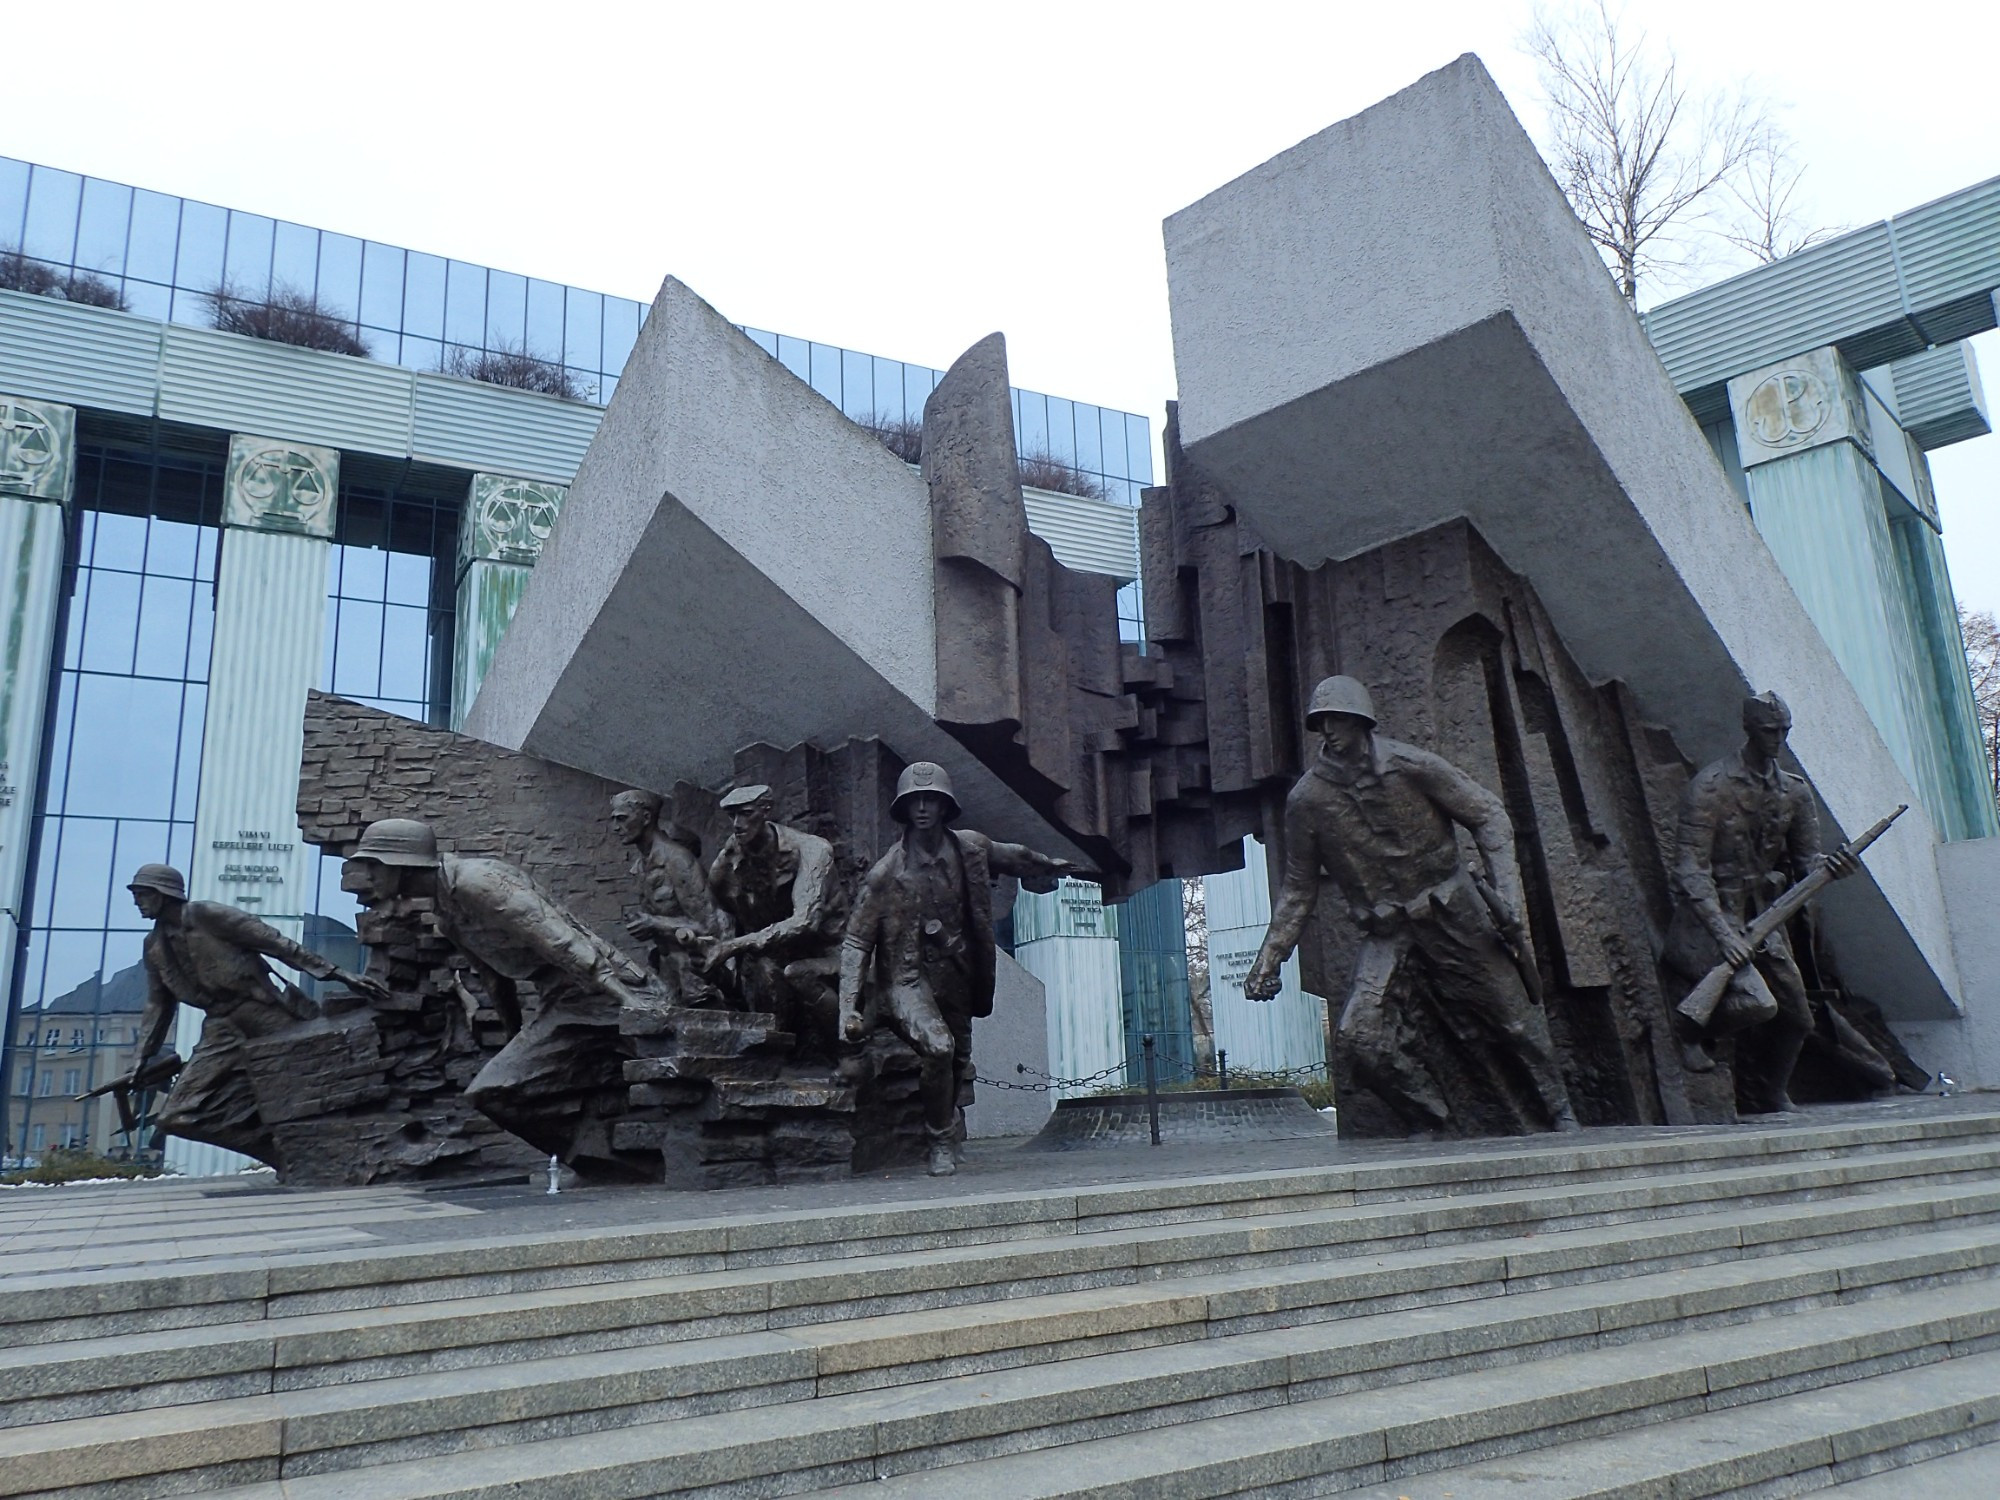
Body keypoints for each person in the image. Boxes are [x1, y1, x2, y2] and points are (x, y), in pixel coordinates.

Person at [1244, 676, 1580, 1135]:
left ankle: (1561, 1112)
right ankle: (1435, 1120)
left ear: (1362, 722)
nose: (1329, 732)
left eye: (1338, 720)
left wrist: (1508, 896)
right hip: (1388, 932)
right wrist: (1270, 959)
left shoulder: (1411, 765)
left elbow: (1487, 815)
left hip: (1453, 910)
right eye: (1322, 723)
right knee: (1358, 1039)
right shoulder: (1308, 801)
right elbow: (1299, 888)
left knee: (1515, 1021)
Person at [343, 819, 668, 1171]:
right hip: (563, 1004)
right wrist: (516, 1041)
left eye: (374, 865)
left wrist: (627, 1000)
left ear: (401, 864)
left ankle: (657, 1159)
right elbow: (495, 980)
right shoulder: (447, 915)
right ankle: (620, 1165)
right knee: (493, 1092)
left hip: (606, 991)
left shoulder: (476, 882)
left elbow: (558, 938)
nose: (369, 877)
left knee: (667, 1077)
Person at [839, 761, 1081, 1174]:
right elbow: (856, 940)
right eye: (914, 801)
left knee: (954, 1062)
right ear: (903, 808)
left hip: (958, 973)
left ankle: (946, 1126)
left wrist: (1046, 865)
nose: (922, 809)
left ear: (945, 806)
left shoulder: (970, 848)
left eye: (930, 800)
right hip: (907, 979)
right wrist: (848, 1006)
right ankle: (940, 1143)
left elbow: (1012, 856)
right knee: (938, 1047)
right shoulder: (886, 874)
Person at [1664, 691, 1858, 1113]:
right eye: (1771, 730)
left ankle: (1772, 1092)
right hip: (1711, 917)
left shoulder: (1795, 792)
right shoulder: (1710, 787)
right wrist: (1723, 935)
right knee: (1759, 1003)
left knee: (1799, 1019)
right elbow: (1689, 870)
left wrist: (1832, 867)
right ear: (1749, 728)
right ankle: (1688, 1030)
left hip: (1766, 917)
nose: (1780, 739)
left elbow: (1808, 861)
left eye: (1785, 730)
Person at [124, 863, 372, 1166]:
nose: (137, 901)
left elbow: (277, 944)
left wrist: (337, 973)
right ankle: (281, 1153)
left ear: (163, 893)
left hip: (266, 1015)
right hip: (220, 1027)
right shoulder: (154, 946)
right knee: (175, 1116)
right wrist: (141, 1057)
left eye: (142, 894)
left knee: (315, 1086)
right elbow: (158, 1004)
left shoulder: (208, 915)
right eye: (136, 895)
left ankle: (337, 1145)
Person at [703, 784, 847, 1047]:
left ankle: (846, 1052)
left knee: (796, 973)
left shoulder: (813, 850)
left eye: (746, 814)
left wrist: (734, 946)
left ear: (766, 811)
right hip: (777, 953)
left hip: (829, 953)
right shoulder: (730, 857)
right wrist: (726, 956)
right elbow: (720, 903)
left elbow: (806, 921)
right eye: (732, 816)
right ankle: (778, 1055)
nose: (737, 824)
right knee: (765, 970)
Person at [610, 789, 729, 1007]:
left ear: (646, 817)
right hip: (667, 976)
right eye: (614, 819)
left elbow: (710, 927)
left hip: (696, 977)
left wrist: (654, 923)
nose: (615, 827)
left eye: (622, 818)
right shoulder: (639, 867)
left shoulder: (677, 859)